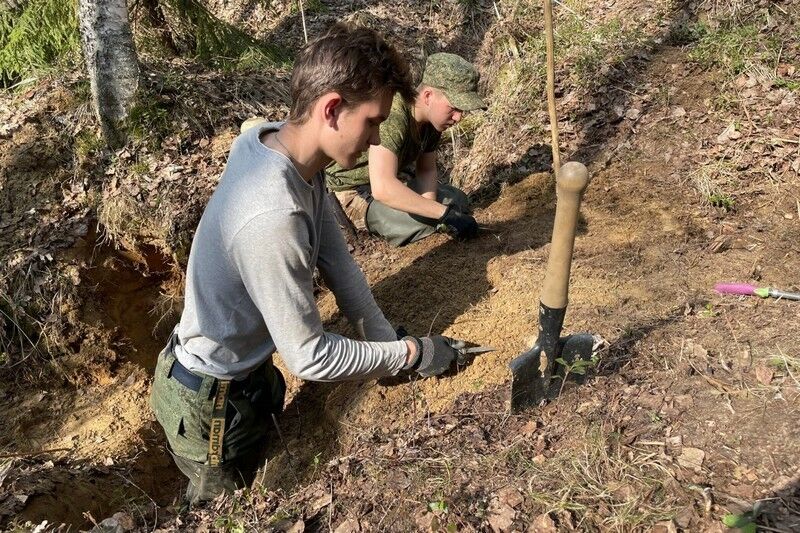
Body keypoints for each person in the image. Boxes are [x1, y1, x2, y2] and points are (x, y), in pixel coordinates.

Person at [149, 24, 472, 505]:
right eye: (373, 122)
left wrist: (385, 340)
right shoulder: (272, 212)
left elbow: (339, 265)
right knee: (227, 510)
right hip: (210, 404)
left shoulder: (279, 148)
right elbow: (309, 357)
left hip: (250, 377)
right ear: (332, 109)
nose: (377, 138)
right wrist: (410, 354)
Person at [325, 52, 486, 247]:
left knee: (458, 199)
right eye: (454, 108)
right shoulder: (394, 114)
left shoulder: (433, 122)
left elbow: (426, 170)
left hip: (393, 180)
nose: (458, 117)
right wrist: (443, 214)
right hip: (354, 191)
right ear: (428, 96)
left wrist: (433, 210)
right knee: (420, 224)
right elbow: (383, 188)